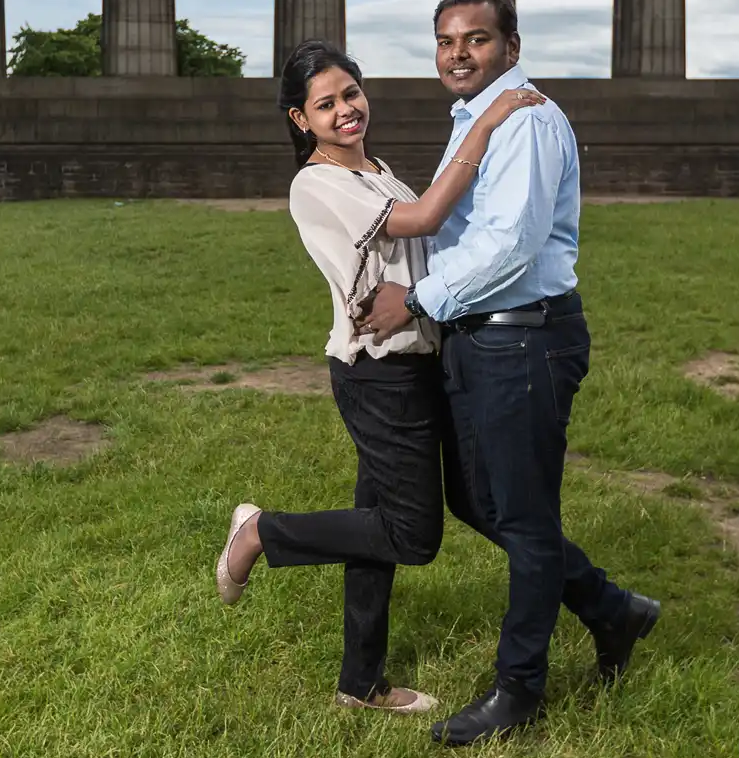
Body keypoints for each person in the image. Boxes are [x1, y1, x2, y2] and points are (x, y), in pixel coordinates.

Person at [357, 0, 661, 748]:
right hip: (482, 336)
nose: (459, 53)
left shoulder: (524, 122)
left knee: (523, 517)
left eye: (477, 39)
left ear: (511, 47)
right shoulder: (477, 119)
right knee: (475, 501)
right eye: (447, 40)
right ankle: (610, 607)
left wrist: (417, 298)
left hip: (522, 337)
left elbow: (511, 247)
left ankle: (520, 687)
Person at [211, 40, 545, 716]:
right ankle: (260, 532)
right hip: (378, 372)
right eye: (326, 103)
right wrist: (486, 123)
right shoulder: (317, 181)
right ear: (300, 119)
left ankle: (360, 681)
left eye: (351, 93)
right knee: (411, 534)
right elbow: (423, 219)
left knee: (374, 524)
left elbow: (427, 241)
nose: (345, 110)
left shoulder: (378, 170)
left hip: (417, 362)